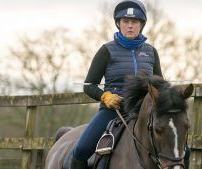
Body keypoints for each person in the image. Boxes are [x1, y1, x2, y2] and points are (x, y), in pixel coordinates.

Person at [69, 0, 163, 168]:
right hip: (113, 110)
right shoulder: (106, 50)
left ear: (141, 25)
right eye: (125, 22)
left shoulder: (151, 52)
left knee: (183, 149)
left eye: (134, 22)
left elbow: (159, 85)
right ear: (118, 24)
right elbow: (89, 85)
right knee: (81, 150)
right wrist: (105, 96)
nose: (130, 26)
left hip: (144, 112)